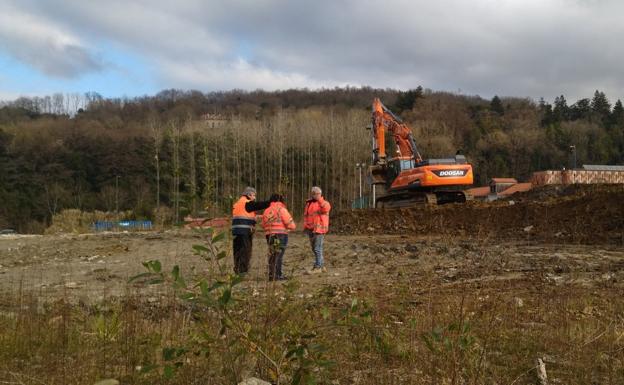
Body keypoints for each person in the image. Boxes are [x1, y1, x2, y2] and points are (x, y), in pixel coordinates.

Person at [231, 186, 274, 275]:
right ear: (249, 194)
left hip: (236, 231)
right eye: (254, 195)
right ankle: (242, 271)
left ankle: (237, 269)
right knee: (245, 250)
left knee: (237, 250)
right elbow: (258, 205)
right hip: (244, 232)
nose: (254, 198)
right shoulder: (247, 203)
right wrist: (271, 202)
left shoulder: (237, 203)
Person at [261, 194, 296, 281]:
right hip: (280, 234)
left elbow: (263, 224)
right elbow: (289, 223)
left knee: (272, 254)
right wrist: (291, 227)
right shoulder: (282, 209)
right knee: (278, 255)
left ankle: (272, 274)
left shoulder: (266, 210)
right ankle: (277, 275)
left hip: (269, 235)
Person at [303, 186, 331, 273]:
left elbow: (326, 209)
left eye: (316, 193)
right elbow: (307, 216)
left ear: (320, 194)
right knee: (315, 248)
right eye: (313, 193)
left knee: (317, 248)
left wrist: (319, 200)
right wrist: (306, 227)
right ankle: (321, 266)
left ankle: (318, 267)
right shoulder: (309, 203)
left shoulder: (324, 203)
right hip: (311, 229)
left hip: (319, 230)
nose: (314, 195)